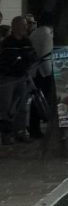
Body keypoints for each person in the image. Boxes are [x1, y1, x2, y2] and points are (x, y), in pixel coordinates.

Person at [0, 16, 36, 144]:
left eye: (26, 25)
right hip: (8, 78)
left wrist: (25, 61)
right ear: (15, 26)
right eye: (22, 25)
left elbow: (32, 56)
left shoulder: (27, 41)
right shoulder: (8, 42)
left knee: (22, 106)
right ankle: (6, 134)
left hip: (22, 77)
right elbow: (9, 60)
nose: (25, 28)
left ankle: (20, 131)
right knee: (7, 107)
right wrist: (22, 60)